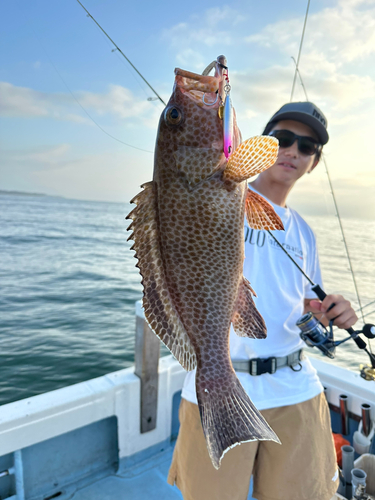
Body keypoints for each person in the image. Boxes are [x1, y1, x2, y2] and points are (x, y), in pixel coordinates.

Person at [167, 101, 358, 500]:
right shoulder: (217, 195)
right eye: (282, 139)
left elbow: (304, 302)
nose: (293, 150)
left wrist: (329, 310)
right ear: (260, 145)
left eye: (306, 147)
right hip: (217, 382)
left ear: (314, 161)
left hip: (294, 387)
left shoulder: (304, 232)